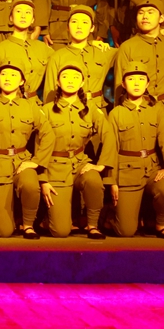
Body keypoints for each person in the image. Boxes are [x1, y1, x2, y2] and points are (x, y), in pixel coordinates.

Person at [0, 64, 53, 239]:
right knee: (4, 232)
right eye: (4, 74)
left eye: (13, 75)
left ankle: (27, 225)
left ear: (22, 81)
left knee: (30, 184)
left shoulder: (30, 106)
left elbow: (49, 135)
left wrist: (36, 162)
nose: (8, 78)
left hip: (22, 162)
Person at [106, 64, 164, 239]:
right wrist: (112, 181)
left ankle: (160, 225)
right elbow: (111, 149)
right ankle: (109, 217)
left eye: (141, 79)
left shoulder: (157, 109)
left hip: (152, 168)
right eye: (131, 79)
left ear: (147, 84)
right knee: (126, 231)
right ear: (124, 84)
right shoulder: (116, 113)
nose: (136, 83)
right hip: (128, 172)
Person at [39, 63, 111, 239]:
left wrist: (101, 166)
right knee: (60, 232)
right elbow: (38, 145)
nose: (70, 81)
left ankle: (92, 225)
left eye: (75, 78)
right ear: (58, 82)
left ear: (82, 83)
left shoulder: (91, 109)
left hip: (80, 164)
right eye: (65, 77)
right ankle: (47, 219)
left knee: (94, 180)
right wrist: (43, 179)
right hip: (55, 168)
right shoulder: (46, 110)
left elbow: (109, 135)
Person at [113, 0, 164, 113]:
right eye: (141, 13)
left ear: (161, 18)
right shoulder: (127, 47)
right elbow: (119, 86)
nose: (145, 16)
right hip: (138, 110)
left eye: (150, 12)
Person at [47, 4, 115, 106]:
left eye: (85, 22)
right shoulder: (57, 57)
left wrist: (91, 43)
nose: (79, 26)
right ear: (67, 27)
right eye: (74, 22)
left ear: (92, 28)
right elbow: (50, 95)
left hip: (98, 108)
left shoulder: (102, 51)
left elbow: (130, 52)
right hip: (69, 110)